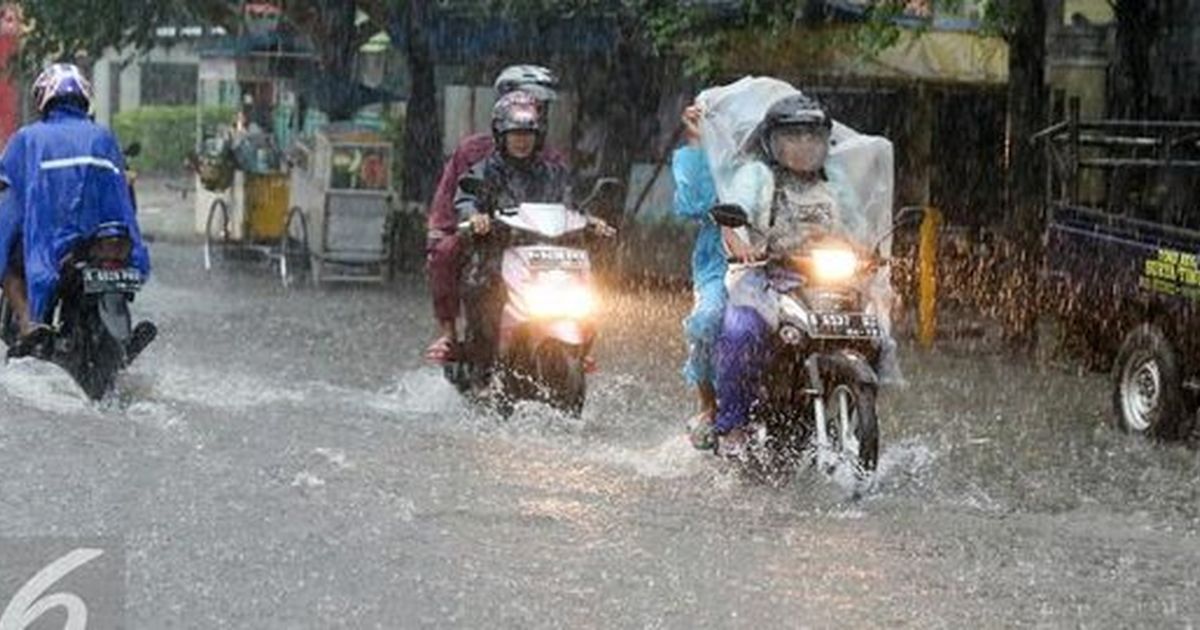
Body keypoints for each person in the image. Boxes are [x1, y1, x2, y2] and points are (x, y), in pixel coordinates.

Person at [706, 94, 855, 455]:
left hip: (826, 279)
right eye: (793, 136)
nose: (804, 145)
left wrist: (874, 257)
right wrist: (739, 243)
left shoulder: (836, 181)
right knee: (739, 331)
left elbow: (857, 227)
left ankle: (856, 409)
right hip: (766, 276)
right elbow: (730, 216)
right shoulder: (756, 175)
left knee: (874, 331)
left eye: (812, 136)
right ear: (772, 141)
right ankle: (732, 426)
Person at [0, 63, 150, 358]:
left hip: (50, 246)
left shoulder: (28, 139)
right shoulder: (103, 137)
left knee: (8, 266)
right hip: (102, 241)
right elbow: (121, 194)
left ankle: (29, 322)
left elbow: (7, 184)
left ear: (44, 99)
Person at [424, 64, 562, 363]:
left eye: (542, 105)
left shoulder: (550, 158)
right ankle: (449, 335)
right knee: (444, 253)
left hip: (534, 243)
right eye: (535, 102)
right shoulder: (474, 152)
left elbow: (566, 200)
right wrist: (466, 222)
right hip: (482, 237)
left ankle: (574, 340)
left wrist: (589, 221)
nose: (539, 110)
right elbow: (453, 200)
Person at [454, 90, 573, 385]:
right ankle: (483, 371)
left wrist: (591, 220)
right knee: (482, 292)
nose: (522, 140)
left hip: (547, 260)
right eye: (515, 133)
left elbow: (572, 205)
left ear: (538, 137)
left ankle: (576, 348)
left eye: (528, 134)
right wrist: (475, 217)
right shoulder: (483, 171)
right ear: (501, 135)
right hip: (496, 258)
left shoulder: (554, 174)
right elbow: (465, 199)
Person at [672, 104, 728, 449]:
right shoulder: (714, 165)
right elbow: (691, 203)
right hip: (720, 265)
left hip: (788, 265)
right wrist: (696, 139)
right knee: (707, 319)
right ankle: (708, 403)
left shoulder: (785, 168)